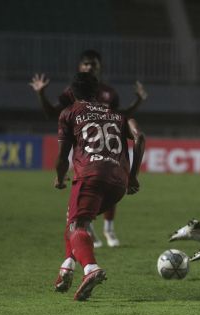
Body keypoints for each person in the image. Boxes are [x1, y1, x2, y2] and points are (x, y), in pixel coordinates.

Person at [29, 49, 148, 248]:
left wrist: (137, 101)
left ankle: (105, 230)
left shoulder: (109, 93)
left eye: (93, 64)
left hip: (105, 145)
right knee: (101, 180)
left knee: (99, 181)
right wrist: (41, 94)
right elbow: (53, 112)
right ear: (80, 67)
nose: (89, 67)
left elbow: (120, 117)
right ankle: (88, 230)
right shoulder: (72, 91)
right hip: (84, 145)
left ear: (99, 67)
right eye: (86, 64)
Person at [53, 72, 145, 301]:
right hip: (118, 183)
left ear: (72, 93)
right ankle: (66, 267)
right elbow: (140, 137)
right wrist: (133, 176)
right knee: (73, 218)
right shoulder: (117, 115)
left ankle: (91, 268)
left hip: (90, 175)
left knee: (78, 225)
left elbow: (63, 156)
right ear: (96, 92)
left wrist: (59, 177)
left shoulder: (69, 113)